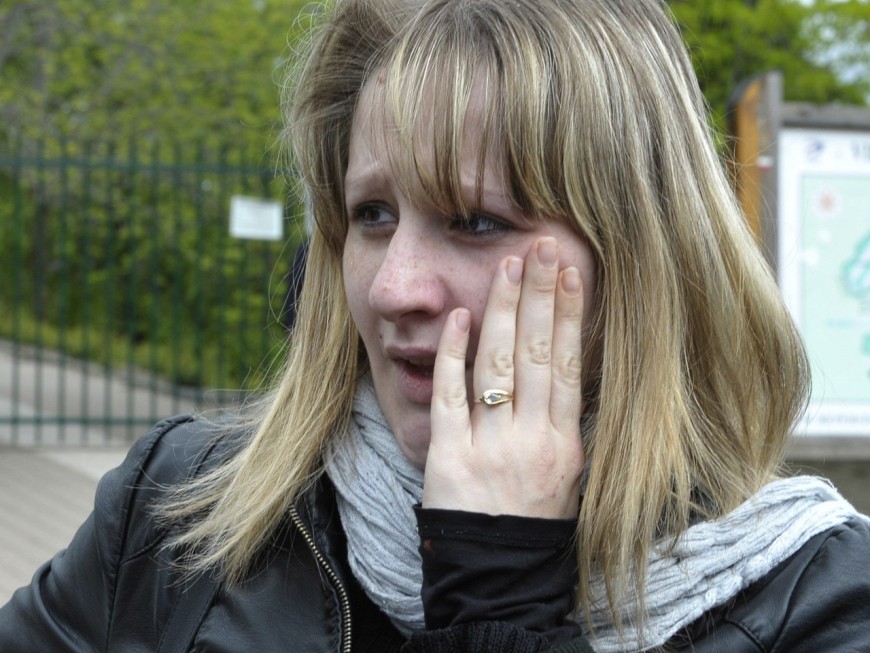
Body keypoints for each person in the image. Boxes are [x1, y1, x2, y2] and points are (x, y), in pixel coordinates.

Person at [1, 0, 868, 650]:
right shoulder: (180, 508)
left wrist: (498, 598)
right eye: (372, 215)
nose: (394, 288)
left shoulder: (820, 603)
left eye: (476, 220)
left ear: (640, 260)